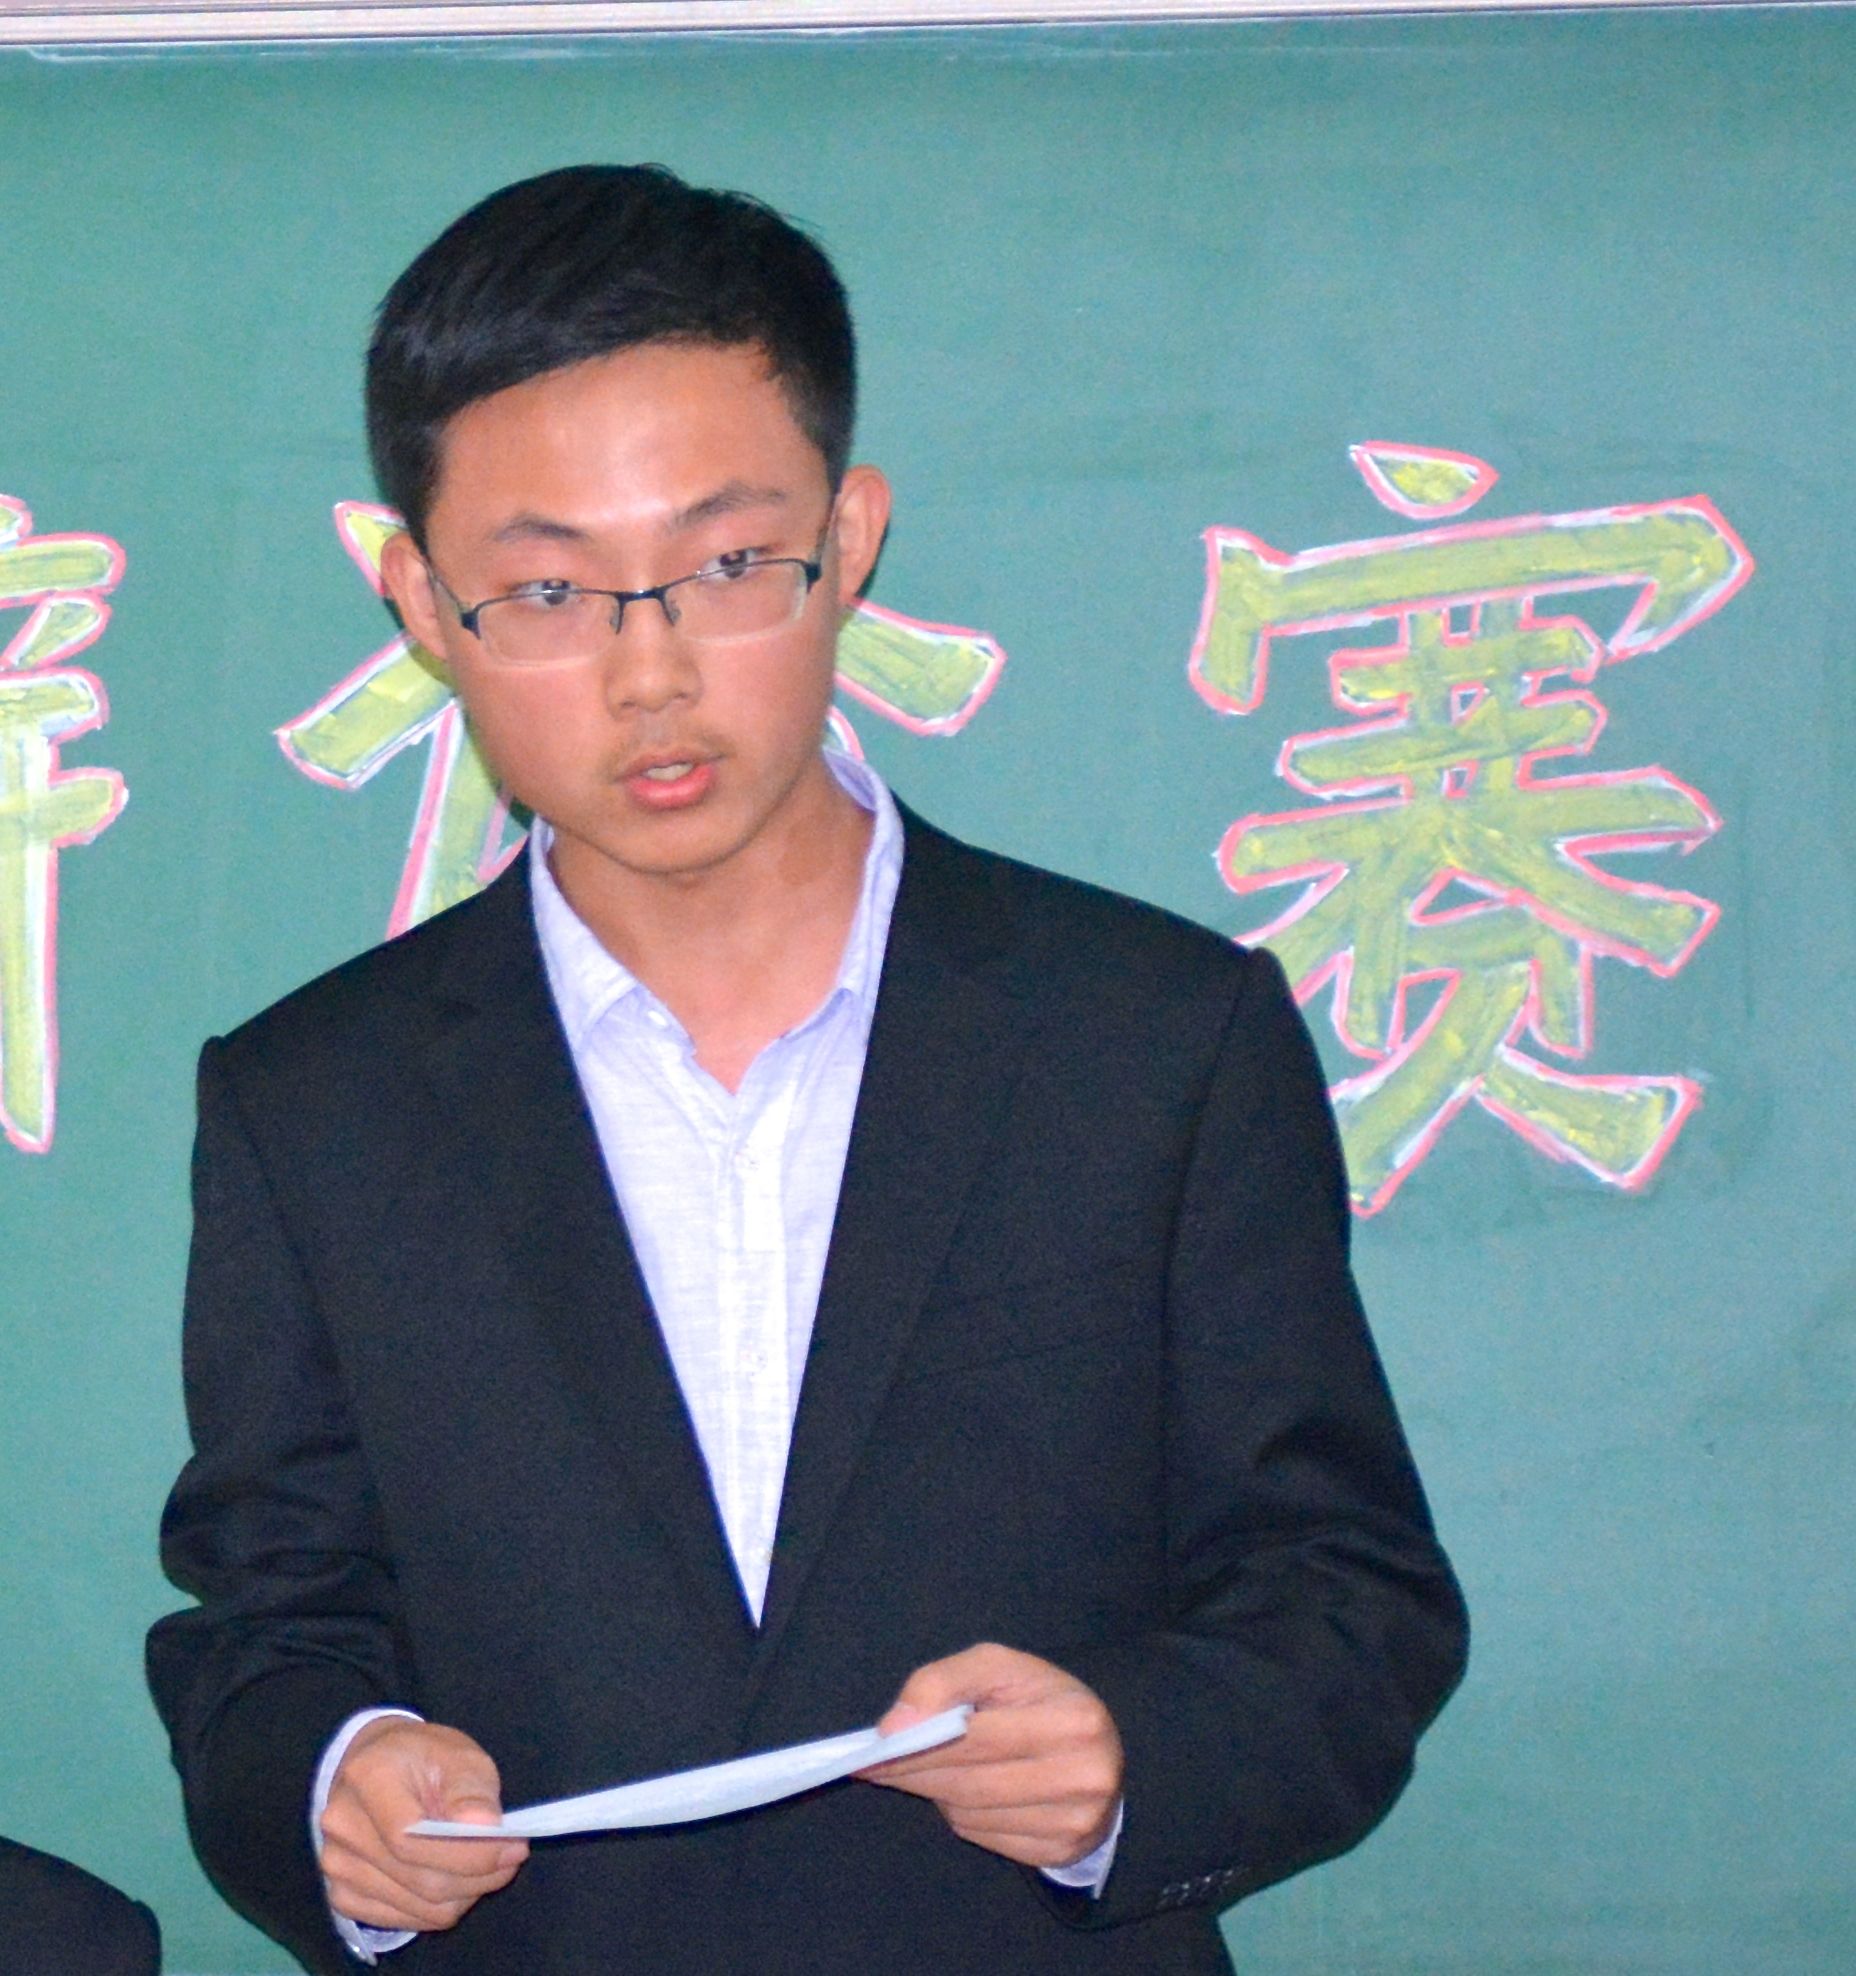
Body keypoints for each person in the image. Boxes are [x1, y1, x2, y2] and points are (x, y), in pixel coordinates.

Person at [147, 164, 1467, 1975]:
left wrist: (1137, 1755)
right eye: (548, 589)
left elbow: (1346, 1593)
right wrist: (337, 1780)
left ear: (850, 539)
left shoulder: (1155, 1038)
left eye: (725, 566)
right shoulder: (315, 1104)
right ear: (422, 603)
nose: (651, 674)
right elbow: (265, 1619)